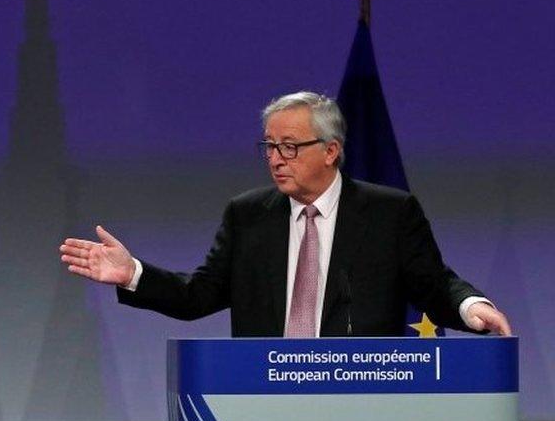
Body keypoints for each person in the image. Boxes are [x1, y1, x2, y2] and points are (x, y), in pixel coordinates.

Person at [60, 91, 511, 337]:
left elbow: (434, 284)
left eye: (290, 147)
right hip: (266, 399)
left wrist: (472, 305)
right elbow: (199, 296)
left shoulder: (388, 213)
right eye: (270, 146)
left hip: (362, 398)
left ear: (331, 151)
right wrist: (132, 273)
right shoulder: (248, 216)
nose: (276, 158)